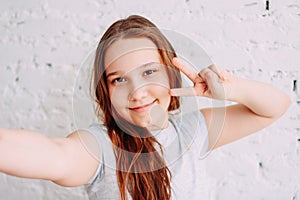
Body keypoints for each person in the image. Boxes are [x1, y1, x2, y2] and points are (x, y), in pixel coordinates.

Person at [0, 15, 291, 200]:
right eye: (119, 79)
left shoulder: (193, 130)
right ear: (107, 91)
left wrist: (229, 90)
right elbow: (54, 155)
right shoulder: (102, 146)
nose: (137, 92)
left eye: (149, 72)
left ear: (170, 74)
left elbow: (276, 106)